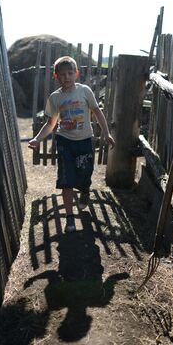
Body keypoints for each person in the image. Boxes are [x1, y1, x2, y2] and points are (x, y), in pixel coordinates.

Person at [28, 56, 115, 233]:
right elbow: (50, 124)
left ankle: (84, 190)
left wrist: (106, 133)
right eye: (62, 74)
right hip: (64, 142)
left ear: (76, 74)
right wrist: (38, 138)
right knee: (66, 180)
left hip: (84, 142)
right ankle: (70, 218)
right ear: (56, 76)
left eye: (70, 73)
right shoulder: (55, 98)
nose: (66, 77)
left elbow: (97, 112)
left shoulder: (85, 91)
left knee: (84, 174)